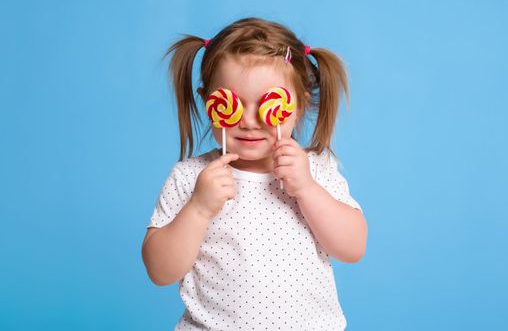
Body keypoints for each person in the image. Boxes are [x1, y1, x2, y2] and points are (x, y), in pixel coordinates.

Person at [142, 17, 368, 331]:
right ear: (209, 101)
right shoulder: (191, 177)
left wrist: (306, 189)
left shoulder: (316, 170)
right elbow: (159, 270)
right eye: (233, 104)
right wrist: (198, 208)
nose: (249, 122)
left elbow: (353, 247)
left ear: (298, 106)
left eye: (266, 104)